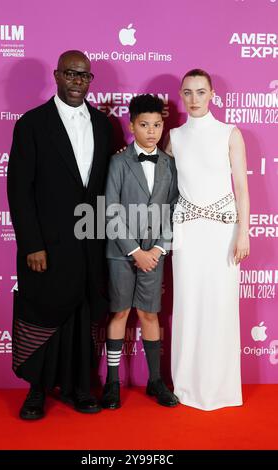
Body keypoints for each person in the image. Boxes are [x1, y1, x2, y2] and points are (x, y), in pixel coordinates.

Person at [7, 50, 112, 419]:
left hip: (89, 244)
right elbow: (19, 190)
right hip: (46, 245)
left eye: (84, 76)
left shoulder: (102, 125)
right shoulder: (32, 124)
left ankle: (80, 387)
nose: (77, 82)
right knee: (44, 311)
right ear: (56, 75)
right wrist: (32, 245)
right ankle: (37, 391)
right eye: (70, 74)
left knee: (82, 315)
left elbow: (101, 189)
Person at [165, 69, 250, 411]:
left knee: (221, 305)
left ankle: (220, 387)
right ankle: (185, 386)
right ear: (181, 95)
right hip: (187, 232)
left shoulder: (230, 133)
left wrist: (243, 231)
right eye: (188, 92)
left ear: (213, 93)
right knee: (187, 305)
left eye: (201, 91)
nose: (195, 99)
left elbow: (242, 188)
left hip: (223, 232)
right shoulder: (173, 137)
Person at [102, 94, 179, 409]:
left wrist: (160, 247)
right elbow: (110, 210)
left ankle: (155, 381)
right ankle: (112, 382)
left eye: (157, 125)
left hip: (155, 253)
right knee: (119, 312)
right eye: (144, 125)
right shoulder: (118, 162)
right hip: (122, 253)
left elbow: (175, 209)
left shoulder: (170, 165)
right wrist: (134, 250)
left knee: (150, 314)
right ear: (132, 125)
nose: (151, 131)